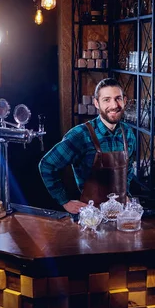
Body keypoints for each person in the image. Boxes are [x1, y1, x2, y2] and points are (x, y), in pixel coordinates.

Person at [39, 78, 136, 213]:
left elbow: (129, 169)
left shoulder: (128, 133)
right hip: (91, 216)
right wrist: (64, 201)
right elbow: (47, 165)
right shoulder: (81, 135)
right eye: (106, 100)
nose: (114, 105)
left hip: (121, 213)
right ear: (96, 103)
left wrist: (126, 195)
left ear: (124, 101)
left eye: (118, 98)